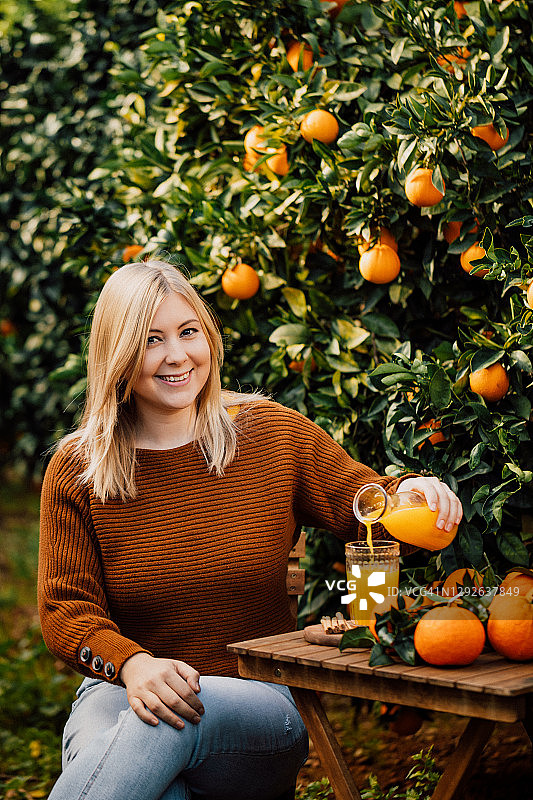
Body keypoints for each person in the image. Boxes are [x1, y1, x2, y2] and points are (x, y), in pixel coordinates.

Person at [38, 259, 462, 800]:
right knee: (157, 776)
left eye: (188, 332)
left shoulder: (269, 435)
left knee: (162, 722)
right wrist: (134, 664)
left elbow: (359, 499)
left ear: (208, 338)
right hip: (123, 686)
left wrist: (412, 491)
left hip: (254, 702)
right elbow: (64, 611)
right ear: (118, 354)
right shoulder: (79, 469)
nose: (177, 355)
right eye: (151, 340)